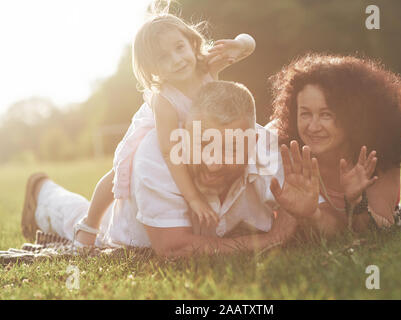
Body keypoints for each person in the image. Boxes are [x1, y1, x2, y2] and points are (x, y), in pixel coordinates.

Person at [21, 8, 258, 246]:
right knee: (119, 174)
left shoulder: (205, 66)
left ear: (192, 42)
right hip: (156, 134)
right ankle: (89, 224)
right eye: (163, 58)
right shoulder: (165, 99)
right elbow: (168, 152)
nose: (176, 60)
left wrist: (239, 45)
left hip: (192, 137)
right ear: (151, 67)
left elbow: (248, 46)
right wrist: (194, 198)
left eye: (179, 47)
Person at [21, 81, 298, 258]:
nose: (214, 163)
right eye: (204, 144)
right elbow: (174, 248)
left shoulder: (268, 149)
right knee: (76, 218)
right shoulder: (155, 153)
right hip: (132, 233)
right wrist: (270, 240)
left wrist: (307, 213)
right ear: (184, 131)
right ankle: (42, 192)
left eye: (231, 149)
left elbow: (314, 217)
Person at [268, 53, 401, 237]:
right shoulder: (281, 146)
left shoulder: (379, 152)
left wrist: (357, 202)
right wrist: (312, 215)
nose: (313, 126)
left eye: (326, 114)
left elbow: (381, 228)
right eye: (305, 114)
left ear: (353, 117)